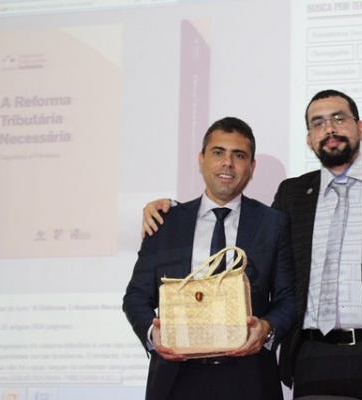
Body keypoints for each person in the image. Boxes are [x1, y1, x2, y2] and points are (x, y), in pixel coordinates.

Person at [142, 90, 362, 400]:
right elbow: (249, 236)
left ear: (360, 129)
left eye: (339, 118)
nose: (329, 128)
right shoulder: (293, 194)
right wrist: (176, 212)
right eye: (318, 123)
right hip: (312, 359)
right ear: (309, 139)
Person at [123, 116, 296, 400]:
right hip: (176, 377)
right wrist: (153, 335)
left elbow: (288, 298)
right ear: (201, 159)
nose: (227, 163)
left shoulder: (273, 224)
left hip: (249, 378)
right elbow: (136, 297)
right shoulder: (165, 222)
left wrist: (266, 329)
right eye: (218, 153)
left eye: (238, 155)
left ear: (251, 167)